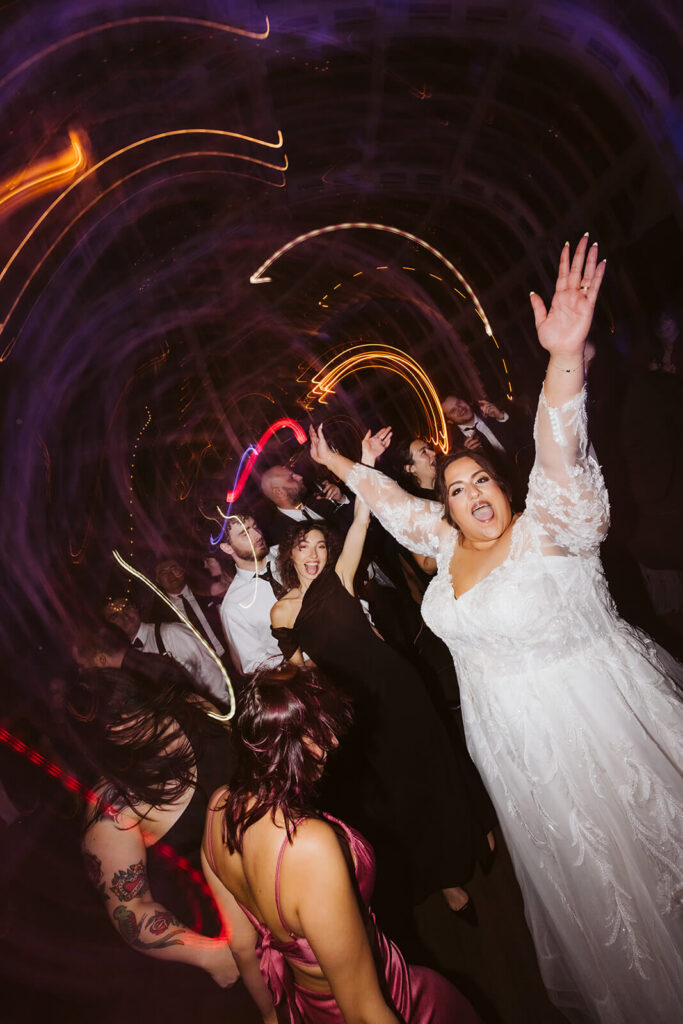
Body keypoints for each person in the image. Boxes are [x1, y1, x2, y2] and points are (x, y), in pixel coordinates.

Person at [308, 236, 683, 1024]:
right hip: (521, 762)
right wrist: (339, 468)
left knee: (651, 867)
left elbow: (557, 443)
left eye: (482, 479)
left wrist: (563, 357)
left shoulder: (550, 529)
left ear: (506, 488)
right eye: (454, 488)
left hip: (595, 730)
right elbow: (395, 505)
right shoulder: (445, 549)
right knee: (599, 897)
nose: (471, 492)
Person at [270, 431, 495, 917]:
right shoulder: (282, 612)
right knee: (404, 792)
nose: (313, 554)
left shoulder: (340, 577)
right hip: (360, 711)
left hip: (398, 685)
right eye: (304, 547)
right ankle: (445, 881)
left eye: (319, 545)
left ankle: (474, 830)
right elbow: (296, 667)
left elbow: (361, 518)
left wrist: (365, 462)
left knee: (438, 760)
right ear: (290, 555)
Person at [201, 664, 480, 1024]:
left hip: (308, 1007)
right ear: (285, 746)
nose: (332, 743)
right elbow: (364, 1013)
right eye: (317, 734)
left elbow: (243, 945)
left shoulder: (219, 807)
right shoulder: (309, 846)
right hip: (386, 1002)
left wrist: (272, 1016)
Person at [63, 654, 275, 1021]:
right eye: (118, 722)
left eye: (133, 708)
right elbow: (130, 910)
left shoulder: (192, 708)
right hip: (238, 942)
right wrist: (209, 955)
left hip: (284, 886)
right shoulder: (112, 811)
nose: (136, 722)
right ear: (101, 740)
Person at [103, 596, 228, 703]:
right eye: (115, 616)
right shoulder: (122, 661)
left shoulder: (171, 633)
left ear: (136, 608)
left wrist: (221, 712)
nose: (124, 616)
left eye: (126, 608)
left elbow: (211, 673)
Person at [218, 512, 284, 676]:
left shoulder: (290, 554)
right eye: (245, 533)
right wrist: (297, 661)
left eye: (255, 527)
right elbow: (254, 663)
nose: (258, 535)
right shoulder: (234, 606)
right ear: (227, 548)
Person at [155, 557, 227, 659]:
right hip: (201, 665)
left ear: (182, 570)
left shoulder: (206, 590)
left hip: (229, 653)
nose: (170, 575)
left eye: (174, 569)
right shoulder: (162, 616)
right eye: (164, 573)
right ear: (158, 581)